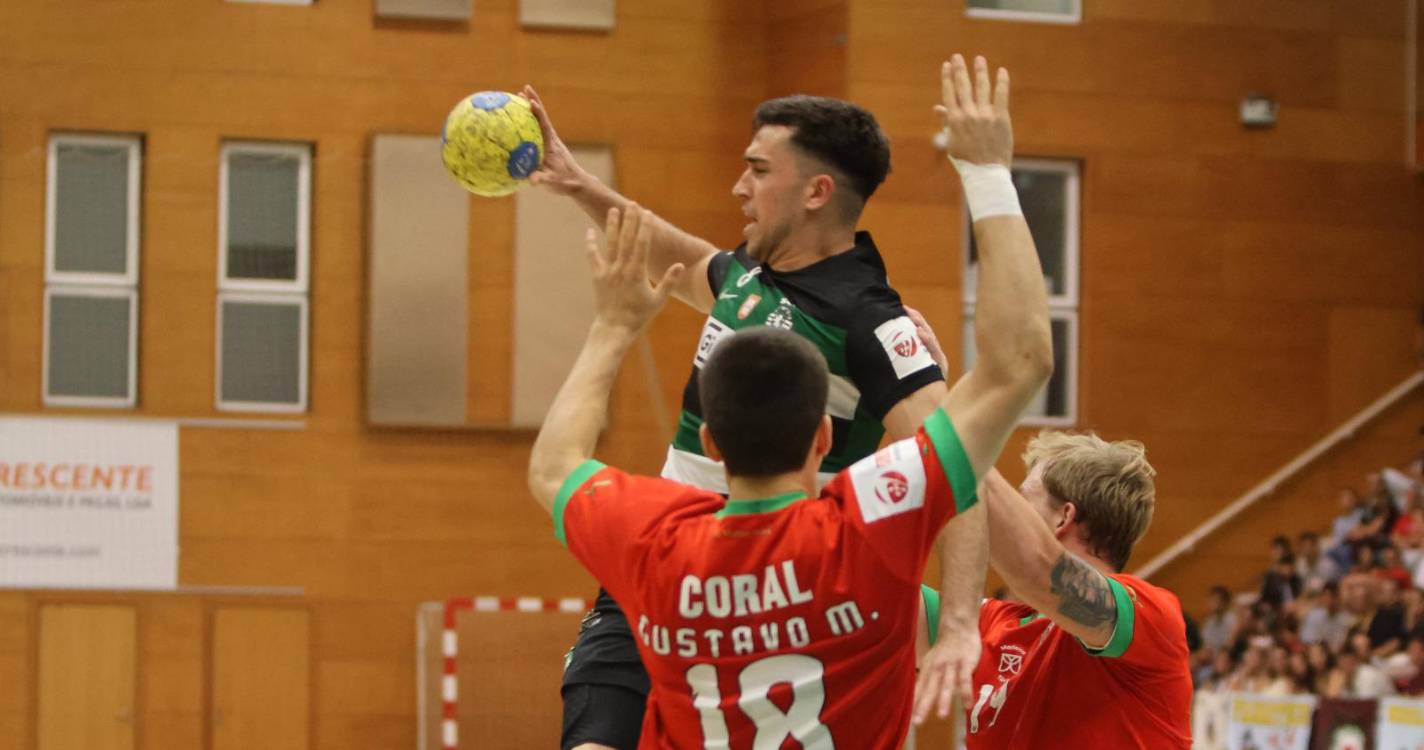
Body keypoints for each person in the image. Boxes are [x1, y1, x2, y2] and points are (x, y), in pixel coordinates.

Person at [526, 55, 1052, 749]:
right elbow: (670, 253)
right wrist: (579, 185)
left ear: (816, 193)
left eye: (759, 169)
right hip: (670, 589)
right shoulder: (749, 271)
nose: (739, 186)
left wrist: (958, 624)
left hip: (781, 590)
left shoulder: (871, 321)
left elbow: (966, 478)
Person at [909, 318, 1191, 747]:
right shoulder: (990, 623)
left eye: (1025, 497)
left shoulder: (1150, 617)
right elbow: (876, 595)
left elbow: (1037, 570)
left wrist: (936, 406)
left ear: (1063, 518)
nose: (1005, 510)